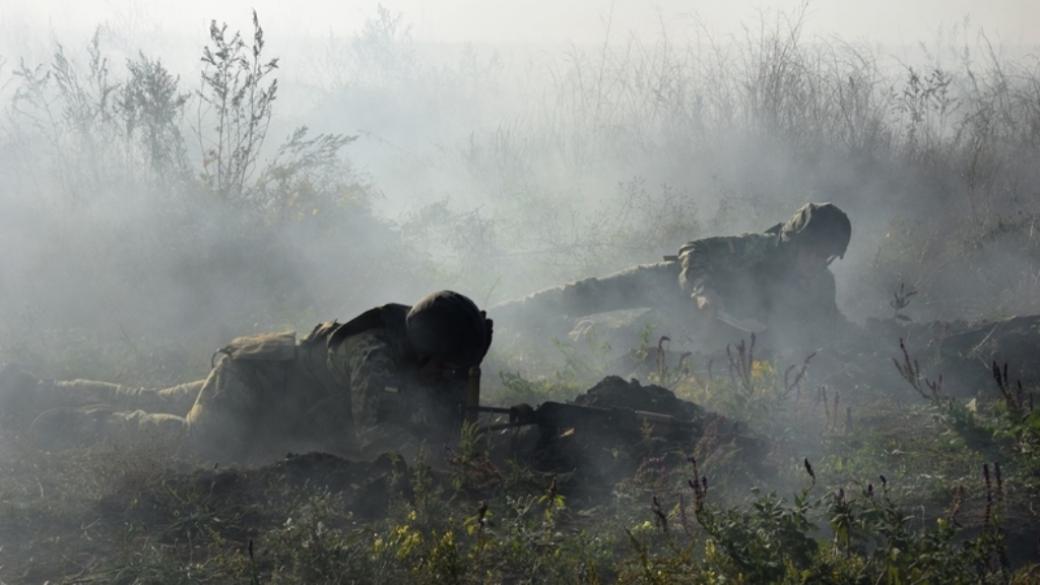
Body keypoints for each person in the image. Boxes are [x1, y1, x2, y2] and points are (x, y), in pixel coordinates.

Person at [0, 290, 493, 462]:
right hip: (254, 382)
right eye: (448, 366)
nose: (448, 376)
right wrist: (446, 456)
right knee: (198, 443)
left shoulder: (410, 335)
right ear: (430, 350)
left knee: (155, 397)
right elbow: (376, 436)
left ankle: (30, 389)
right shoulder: (375, 356)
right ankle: (77, 422)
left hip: (267, 373)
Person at [492, 202, 853, 353]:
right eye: (812, 251)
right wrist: (702, 291)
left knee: (618, 345)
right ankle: (492, 317)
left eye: (825, 256)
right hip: (672, 283)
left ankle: (564, 334)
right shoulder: (758, 248)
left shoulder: (820, 286)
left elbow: (830, 325)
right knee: (584, 295)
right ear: (793, 241)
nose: (816, 262)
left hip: (693, 323)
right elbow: (693, 249)